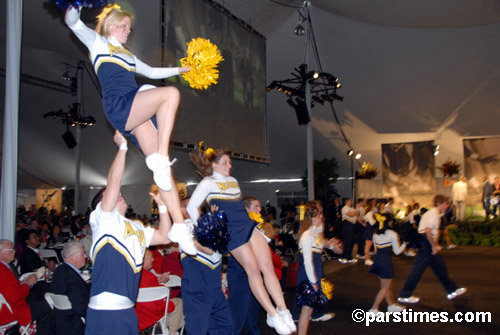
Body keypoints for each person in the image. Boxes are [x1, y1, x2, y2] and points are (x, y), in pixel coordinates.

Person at [64, 4, 195, 255]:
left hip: (135, 110)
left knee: (166, 175)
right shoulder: (98, 44)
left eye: (129, 27)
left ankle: (179, 225)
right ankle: (162, 156)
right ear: (110, 25)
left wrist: (181, 69)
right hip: (119, 106)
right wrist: (75, 5)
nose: (128, 30)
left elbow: (153, 71)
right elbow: (73, 22)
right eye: (123, 26)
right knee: (170, 94)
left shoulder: (127, 55)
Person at [187, 148, 296, 334]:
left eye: (230, 163)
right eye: (225, 163)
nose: (230, 166)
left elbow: (237, 209)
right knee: (253, 270)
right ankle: (272, 314)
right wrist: (209, 228)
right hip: (232, 231)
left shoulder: (233, 182)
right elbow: (190, 207)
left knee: (268, 267)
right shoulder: (207, 182)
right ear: (214, 165)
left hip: (247, 224)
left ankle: (283, 310)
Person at [85, 131, 175, 335]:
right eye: (114, 195)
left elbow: (166, 237)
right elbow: (114, 183)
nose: (119, 195)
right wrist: (123, 148)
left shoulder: (136, 227)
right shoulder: (102, 219)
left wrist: (162, 207)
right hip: (105, 309)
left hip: (128, 309)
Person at [398, 195, 467, 304]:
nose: (447, 206)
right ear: (439, 203)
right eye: (445, 203)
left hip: (425, 242)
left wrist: (434, 244)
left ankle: (451, 290)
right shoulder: (434, 215)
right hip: (426, 243)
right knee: (418, 270)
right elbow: (428, 231)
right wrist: (434, 245)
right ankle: (404, 295)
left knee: (439, 268)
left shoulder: (432, 213)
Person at [180, 197, 233, 335]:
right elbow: (208, 249)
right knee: (197, 330)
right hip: (197, 289)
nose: (196, 208)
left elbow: (224, 245)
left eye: (197, 205)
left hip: (215, 287)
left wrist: (219, 224)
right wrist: (215, 225)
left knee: (225, 326)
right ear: (183, 210)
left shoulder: (208, 225)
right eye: (191, 205)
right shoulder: (182, 227)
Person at [295, 201, 342, 335]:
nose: (321, 217)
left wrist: (332, 245)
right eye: (319, 214)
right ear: (312, 218)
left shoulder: (314, 234)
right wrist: (314, 282)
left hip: (314, 272)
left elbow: (323, 245)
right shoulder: (306, 236)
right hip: (309, 275)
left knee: (308, 309)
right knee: (306, 309)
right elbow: (308, 262)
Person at [0, 239, 54, 335]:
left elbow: (7, 290)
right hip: (13, 311)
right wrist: (28, 284)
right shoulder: (2, 271)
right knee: (48, 307)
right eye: (11, 249)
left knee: (40, 294)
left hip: (11, 306)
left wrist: (22, 283)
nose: (14, 251)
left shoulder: (4, 267)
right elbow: (14, 298)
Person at [227, 196, 264, 335]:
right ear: (246, 209)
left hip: (252, 271)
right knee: (237, 312)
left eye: (259, 206)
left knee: (252, 310)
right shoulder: (238, 226)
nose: (259, 209)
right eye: (256, 206)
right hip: (239, 272)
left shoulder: (256, 225)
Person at [135, 249, 184, 335]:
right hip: (152, 314)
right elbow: (162, 297)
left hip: (137, 314)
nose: (153, 259)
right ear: (143, 259)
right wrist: (163, 285)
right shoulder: (149, 276)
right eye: (151, 257)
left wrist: (158, 281)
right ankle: (172, 332)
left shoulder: (133, 275)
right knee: (178, 302)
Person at [368, 214, 407, 314]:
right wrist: (405, 244)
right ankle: (373, 309)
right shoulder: (392, 234)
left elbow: (376, 249)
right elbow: (397, 252)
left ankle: (391, 305)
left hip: (377, 260)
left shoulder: (375, 234)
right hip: (385, 261)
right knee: (384, 288)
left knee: (386, 286)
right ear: (388, 222)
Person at [49, 241, 90, 335]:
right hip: (75, 324)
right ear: (72, 256)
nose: (85, 256)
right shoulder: (72, 278)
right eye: (83, 254)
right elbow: (81, 308)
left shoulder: (59, 270)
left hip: (61, 322)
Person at [338, 198, 359, 264]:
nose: (351, 202)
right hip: (347, 224)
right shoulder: (345, 208)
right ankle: (344, 256)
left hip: (352, 225)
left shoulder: (352, 208)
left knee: (351, 241)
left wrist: (355, 212)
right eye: (350, 201)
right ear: (346, 202)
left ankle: (349, 256)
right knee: (347, 240)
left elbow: (357, 213)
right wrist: (355, 212)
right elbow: (351, 214)